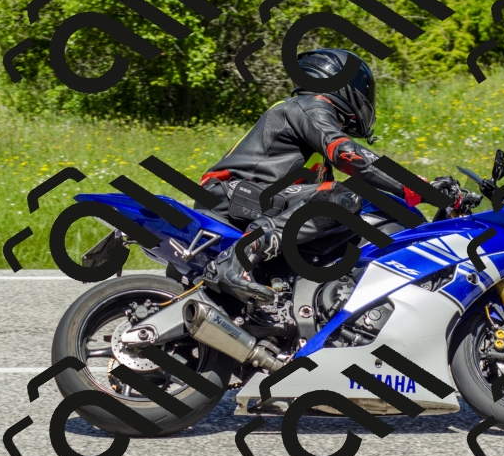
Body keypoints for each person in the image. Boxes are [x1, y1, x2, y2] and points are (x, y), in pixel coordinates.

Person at [197, 49, 460, 304]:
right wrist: (415, 187)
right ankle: (236, 259)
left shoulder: (309, 127)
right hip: (232, 193)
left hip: (253, 197)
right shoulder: (310, 105)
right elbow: (348, 154)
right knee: (341, 197)